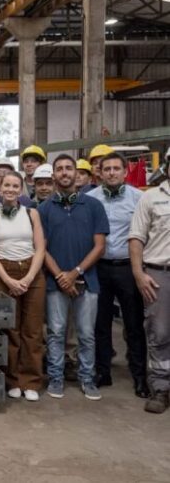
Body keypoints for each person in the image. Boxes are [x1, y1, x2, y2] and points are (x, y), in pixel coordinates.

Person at [38, 154, 109, 400]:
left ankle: (87, 379)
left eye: (69, 168)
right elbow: (41, 248)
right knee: (56, 332)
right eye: (59, 169)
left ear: (77, 173)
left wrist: (75, 272)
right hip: (55, 282)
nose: (64, 172)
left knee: (86, 334)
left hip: (87, 281)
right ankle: (55, 378)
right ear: (53, 175)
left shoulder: (93, 206)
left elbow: (100, 246)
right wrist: (61, 276)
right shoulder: (44, 209)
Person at [86, 152, 148, 398]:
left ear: (124, 171)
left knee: (134, 324)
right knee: (100, 322)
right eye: (107, 169)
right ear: (99, 173)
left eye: (116, 168)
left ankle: (139, 376)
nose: (111, 172)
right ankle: (103, 372)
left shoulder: (139, 198)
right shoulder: (90, 199)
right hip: (99, 267)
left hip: (128, 268)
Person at [0, 172, 46, 402]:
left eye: (15, 186)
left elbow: (40, 248)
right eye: (6, 185)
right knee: (10, 330)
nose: (10, 189)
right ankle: (13, 380)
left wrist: (29, 278)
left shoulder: (32, 213)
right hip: (4, 272)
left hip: (32, 273)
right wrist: (7, 280)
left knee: (33, 330)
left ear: (21, 190)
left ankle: (31, 381)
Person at [129, 147, 170, 413]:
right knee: (160, 332)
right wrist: (138, 273)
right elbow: (136, 238)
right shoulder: (151, 198)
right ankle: (161, 388)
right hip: (159, 275)